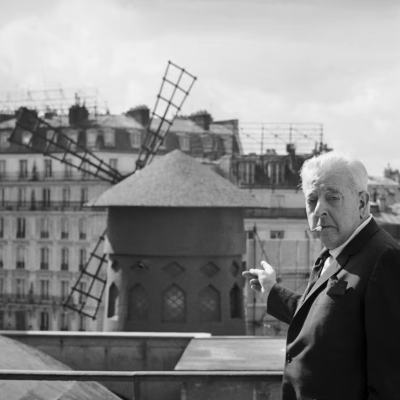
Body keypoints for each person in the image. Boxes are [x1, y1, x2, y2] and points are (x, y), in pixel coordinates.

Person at [243, 151, 400, 400]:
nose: (319, 210)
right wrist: (273, 291)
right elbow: (327, 318)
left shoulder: (385, 259)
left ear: (362, 203)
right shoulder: (335, 251)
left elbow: (390, 381)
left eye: (332, 198)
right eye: (312, 200)